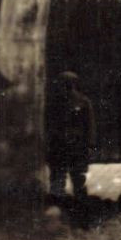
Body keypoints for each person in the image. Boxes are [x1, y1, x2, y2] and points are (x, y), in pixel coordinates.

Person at [46, 70, 96, 200]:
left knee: (78, 176)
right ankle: (57, 201)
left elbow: (89, 125)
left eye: (69, 83)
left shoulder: (83, 102)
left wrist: (89, 145)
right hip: (59, 143)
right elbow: (49, 123)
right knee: (57, 175)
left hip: (77, 144)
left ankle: (80, 203)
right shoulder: (54, 102)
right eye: (64, 83)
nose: (67, 86)